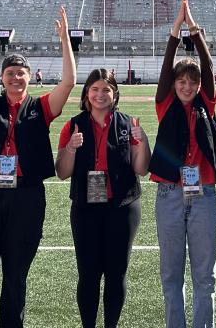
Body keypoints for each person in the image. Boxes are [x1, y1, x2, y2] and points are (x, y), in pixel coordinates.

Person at [0, 2, 77, 328]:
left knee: (15, 279)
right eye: (10, 72)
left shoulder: (41, 108)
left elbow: (68, 82)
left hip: (26, 197)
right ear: (2, 76)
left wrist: (65, 40)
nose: (15, 77)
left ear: (30, 77)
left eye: (20, 72)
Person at [149, 0, 216, 328]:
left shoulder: (206, 105)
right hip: (169, 193)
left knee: (204, 276)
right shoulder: (164, 104)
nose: (185, 86)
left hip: (204, 196)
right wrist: (174, 31)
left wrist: (193, 30)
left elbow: (207, 67)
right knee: (171, 275)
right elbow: (167, 72)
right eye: (181, 82)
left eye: (191, 82)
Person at [55, 68, 150, 328]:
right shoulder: (73, 124)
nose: (100, 94)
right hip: (86, 209)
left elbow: (141, 169)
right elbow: (62, 172)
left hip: (123, 207)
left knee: (116, 273)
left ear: (114, 94)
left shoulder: (128, 123)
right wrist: (70, 148)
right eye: (94, 89)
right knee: (88, 274)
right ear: (86, 94)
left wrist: (144, 143)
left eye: (106, 89)